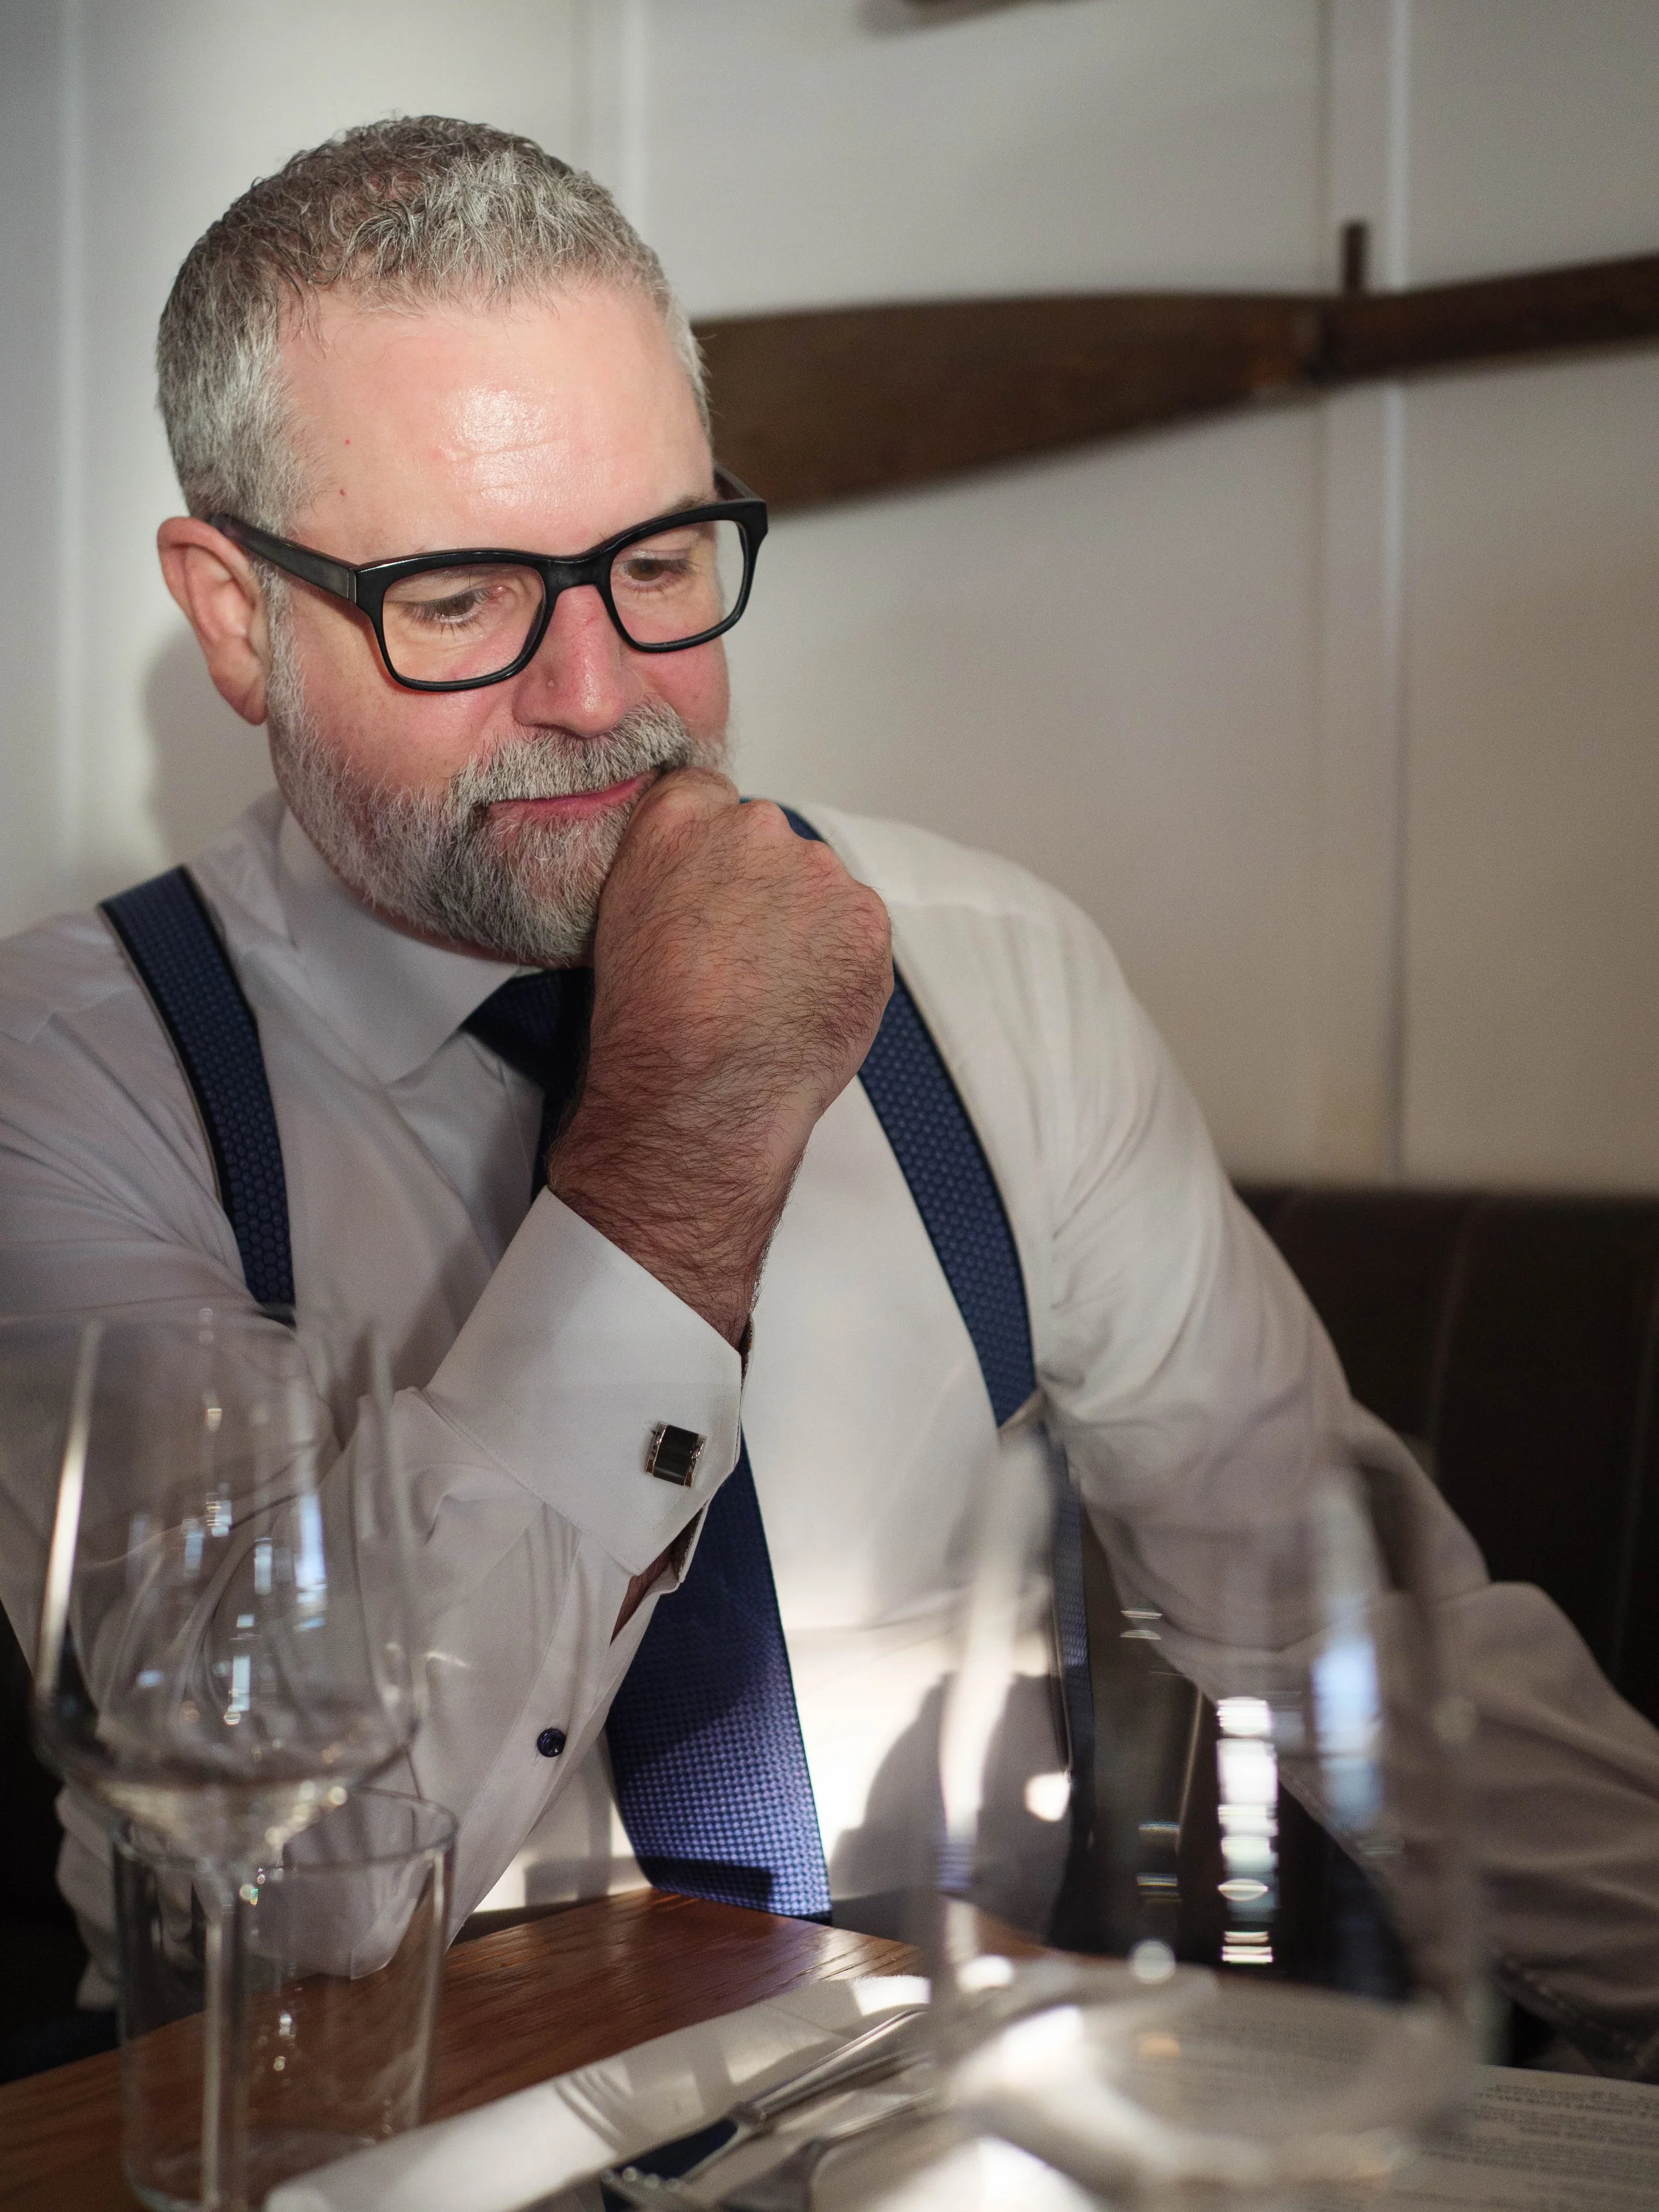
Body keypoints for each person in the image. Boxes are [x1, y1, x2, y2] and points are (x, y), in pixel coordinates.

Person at [1, 117, 1656, 2079]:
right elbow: (310, 1897)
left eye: (660, 558)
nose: (601, 690)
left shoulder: (985, 962)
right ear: (232, 615)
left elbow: (1355, 1638)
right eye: (459, 598)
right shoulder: (71, 1084)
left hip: (965, 2141)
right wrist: (682, 1136)